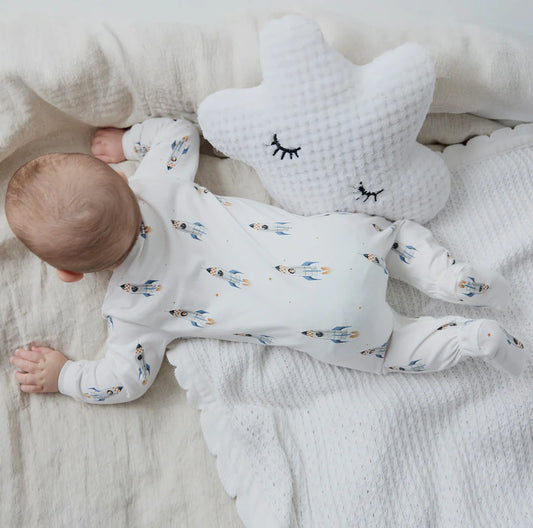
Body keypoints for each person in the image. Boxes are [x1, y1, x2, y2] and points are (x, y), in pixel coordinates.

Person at [6, 118, 528, 404]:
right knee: (391, 236)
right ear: (122, 181)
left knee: (396, 346)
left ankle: (467, 339)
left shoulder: (131, 312)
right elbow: (179, 132)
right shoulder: (157, 182)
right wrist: (127, 141)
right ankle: (446, 275)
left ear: (68, 274)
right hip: (340, 243)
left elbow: (124, 381)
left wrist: (65, 376)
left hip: (333, 324)